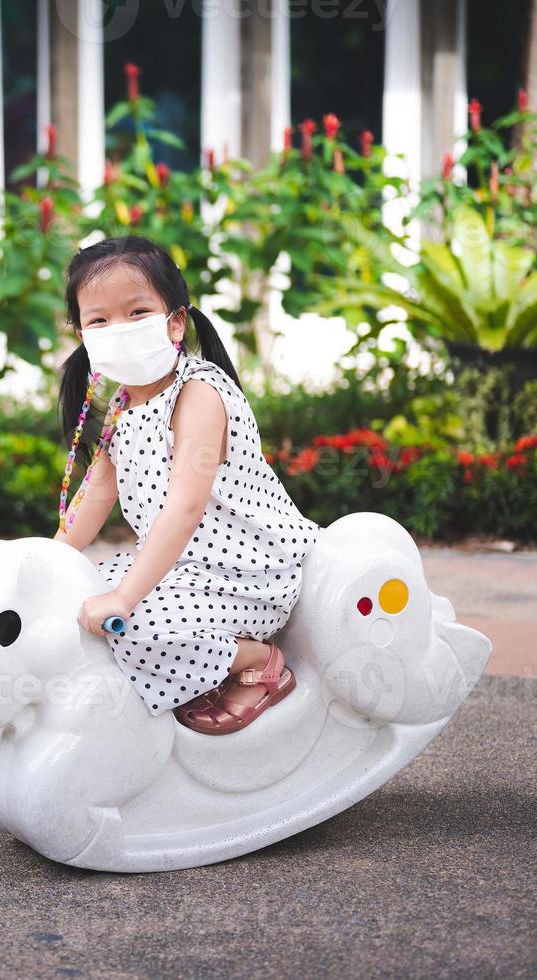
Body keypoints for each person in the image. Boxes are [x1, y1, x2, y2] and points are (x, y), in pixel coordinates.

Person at [52, 236, 319, 735]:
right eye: (99, 320)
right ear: (83, 334)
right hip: (180, 566)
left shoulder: (199, 393)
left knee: (132, 627)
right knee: (74, 599)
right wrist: (47, 563)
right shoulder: (122, 405)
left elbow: (184, 508)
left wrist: (125, 598)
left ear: (175, 321)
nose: (118, 330)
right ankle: (183, 669)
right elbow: (96, 494)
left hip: (244, 570)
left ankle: (257, 661)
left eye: (136, 312)